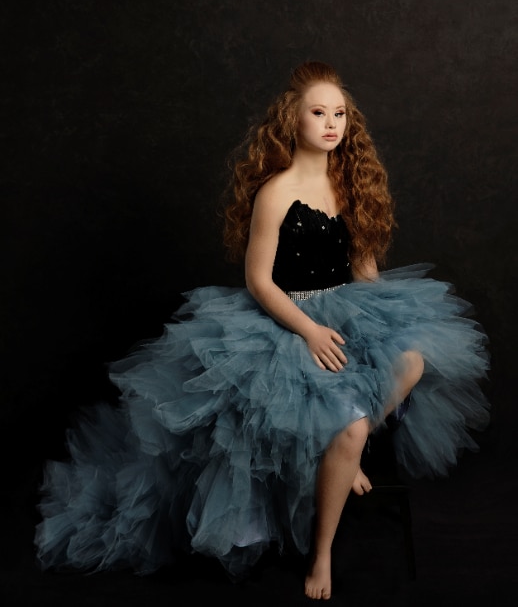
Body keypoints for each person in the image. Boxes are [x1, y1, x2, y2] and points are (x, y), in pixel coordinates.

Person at [35, 61, 490, 600]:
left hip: (346, 311)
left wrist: (379, 316)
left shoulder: (351, 184)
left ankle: (352, 454)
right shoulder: (277, 191)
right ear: (291, 120)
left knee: (412, 361)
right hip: (284, 320)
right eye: (318, 112)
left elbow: (363, 268)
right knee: (344, 424)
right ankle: (321, 556)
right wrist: (309, 332)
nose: (331, 123)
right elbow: (257, 280)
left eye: (339, 113)